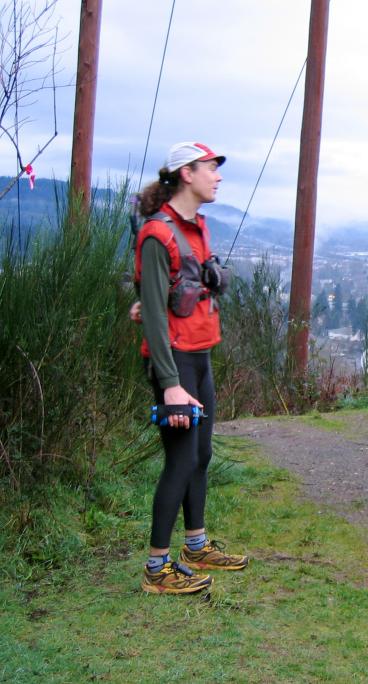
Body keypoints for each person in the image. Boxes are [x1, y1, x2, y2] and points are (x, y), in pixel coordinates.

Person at [134, 142, 248, 594]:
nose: (217, 177)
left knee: (201, 455)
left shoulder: (198, 227)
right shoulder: (157, 234)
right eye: (210, 169)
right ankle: (156, 569)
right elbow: (157, 318)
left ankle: (195, 546)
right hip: (175, 364)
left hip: (200, 354)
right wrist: (170, 386)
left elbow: (160, 299)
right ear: (187, 173)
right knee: (180, 460)